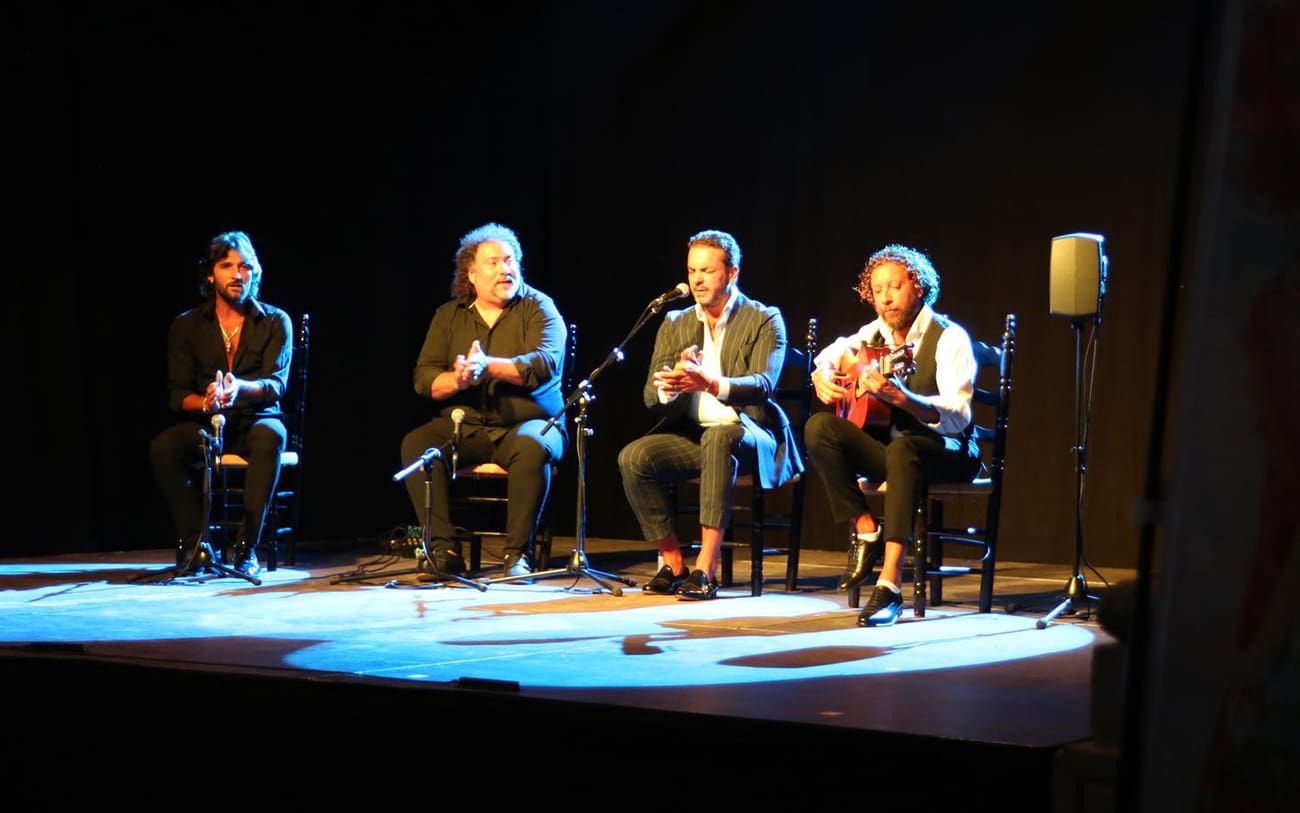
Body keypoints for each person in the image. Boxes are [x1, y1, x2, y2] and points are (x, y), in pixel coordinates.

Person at [618, 229, 803, 600]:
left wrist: (711, 383)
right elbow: (650, 396)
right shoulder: (675, 322)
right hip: (695, 434)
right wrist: (672, 384)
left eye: (707, 270)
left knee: (721, 437)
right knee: (634, 457)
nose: (697, 280)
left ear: (732, 273)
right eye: (692, 271)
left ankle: (706, 568)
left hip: (751, 432)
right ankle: (673, 563)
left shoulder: (765, 319)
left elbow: (763, 384)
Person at [804, 244, 981, 626]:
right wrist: (821, 374)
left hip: (948, 450)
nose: (885, 298)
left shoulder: (949, 337)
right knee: (819, 427)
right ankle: (867, 530)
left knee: (904, 450)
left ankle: (889, 585)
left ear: (918, 287)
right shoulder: (875, 334)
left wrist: (903, 398)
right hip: (896, 452)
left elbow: (960, 416)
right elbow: (834, 352)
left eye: (895, 287)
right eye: (877, 290)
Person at [399, 223, 567, 580]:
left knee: (532, 445)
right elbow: (424, 377)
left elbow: (543, 364)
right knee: (417, 444)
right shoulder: (449, 316)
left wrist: (487, 366)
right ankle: (443, 550)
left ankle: (516, 554)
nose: (505, 268)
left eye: (510, 260)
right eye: (494, 263)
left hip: (531, 424)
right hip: (469, 428)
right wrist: (457, 379)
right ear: (471, 274)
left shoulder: (540, 307)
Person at [149, 230, 292, 579]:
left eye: (244, 266)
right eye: (227, 265)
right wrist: (208, 401)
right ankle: (196, 542)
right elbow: (178, 394)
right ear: (210, 274)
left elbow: (276, 385)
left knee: (270, 436)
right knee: (163, 447)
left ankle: (247, 547)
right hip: (207, 422)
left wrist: (240, 389)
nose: (237, 274)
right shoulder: (186, 326)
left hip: (256, 418)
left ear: (254, 273)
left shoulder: (275, 321)